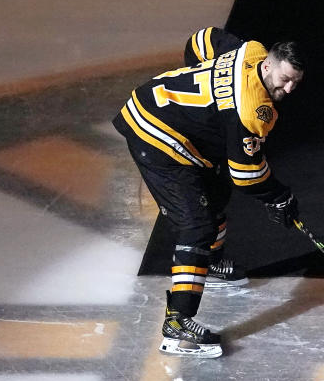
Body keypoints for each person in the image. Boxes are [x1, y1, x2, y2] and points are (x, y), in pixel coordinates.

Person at [113, 26, 306, 358]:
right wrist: (278, 196)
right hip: (155, 138)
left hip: (157, 108)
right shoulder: (252, 110)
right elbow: (246, 174)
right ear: (268, 65)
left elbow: (201, 40)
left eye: (295, 83)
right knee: (197, 226)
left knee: (215, 188)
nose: (288, 89)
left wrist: (201, 94)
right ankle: (177, 325)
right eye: (285, 79)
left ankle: (210, 264)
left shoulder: (250, 50)